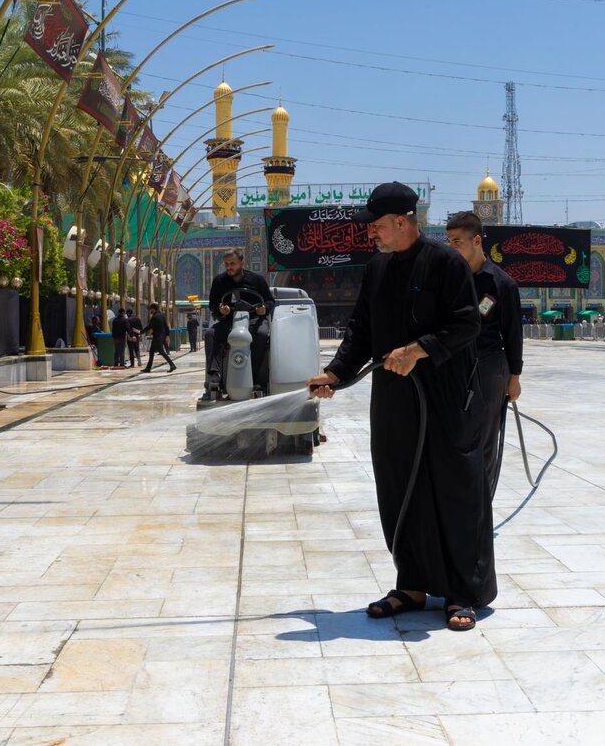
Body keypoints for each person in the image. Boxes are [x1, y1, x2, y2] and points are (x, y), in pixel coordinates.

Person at [308, 182, 493, 631]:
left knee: (452, 487)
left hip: (443, 396)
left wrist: (419, 349)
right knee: (398, 486)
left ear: (402, 222)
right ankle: (411, 584)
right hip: (393, 399)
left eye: (377, 225)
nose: (371, 233)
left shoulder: (445, 263)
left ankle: (461, 591)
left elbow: (467, 323)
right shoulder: (377, 269)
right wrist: (335, 372)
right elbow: (361, 329)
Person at [446, 211, 523, 495]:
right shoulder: (451, 280)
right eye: (449, 241)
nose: (451, 247)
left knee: (486, 438)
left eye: (457, 241)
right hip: (455, 365)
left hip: (489, 366)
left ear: (476, 241)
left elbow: (513, 334)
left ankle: (482, 505)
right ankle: (460, 500)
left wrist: (514, 377)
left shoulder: (501, 284)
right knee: (456, 435)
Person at [206, 248, 275, 391]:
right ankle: (214, 375)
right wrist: (220, 309)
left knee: (262, 334)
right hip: (230, 321)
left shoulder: (257, 280)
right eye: (226, 264)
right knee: (211, 334)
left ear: (242, 263)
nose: (229, 267)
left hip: (254, 320)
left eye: (232, 263)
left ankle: (254, 375)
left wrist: (264, 309)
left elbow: (270, 301)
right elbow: (212, 304)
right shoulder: (219, 281)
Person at [141, 302, 176, 373]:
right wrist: (167, 335)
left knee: (161, 351)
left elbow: (149, 326)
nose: (150, 311)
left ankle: (172, 365)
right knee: (151, 352)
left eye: (150, 309)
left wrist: (141, 332)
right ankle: (148, 368)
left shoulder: (155, 317)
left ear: (153, 309)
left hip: (157, 337)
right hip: (160, 336)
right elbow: (166, 326)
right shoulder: (162, 315)